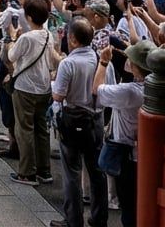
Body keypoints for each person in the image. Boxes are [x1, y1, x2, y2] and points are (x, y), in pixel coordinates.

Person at [50, 18, 108, 227]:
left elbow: (58, 95)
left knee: (72, 171)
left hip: (73, 115)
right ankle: (99, 216)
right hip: (96, 117)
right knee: (96, 170)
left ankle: (73, 219)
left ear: (72, 39)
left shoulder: (69, 63)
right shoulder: (100, 60)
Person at [93, 40, 152, 227]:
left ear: (136, 66)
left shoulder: (129, 92)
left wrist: (103, 63)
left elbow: (97, 90)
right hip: (147, 153)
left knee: (129, 205)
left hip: (127, 154)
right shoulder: (155, 87)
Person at [5, 0, 57, 187]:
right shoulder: (48, 35)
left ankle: (27, 172)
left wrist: (12, 38)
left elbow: (11, 56)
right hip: (43, 87)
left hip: (25, 87)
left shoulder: (26, 37)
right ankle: (45, 170)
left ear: (28, 17)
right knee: (41, 128)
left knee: (24, 129)